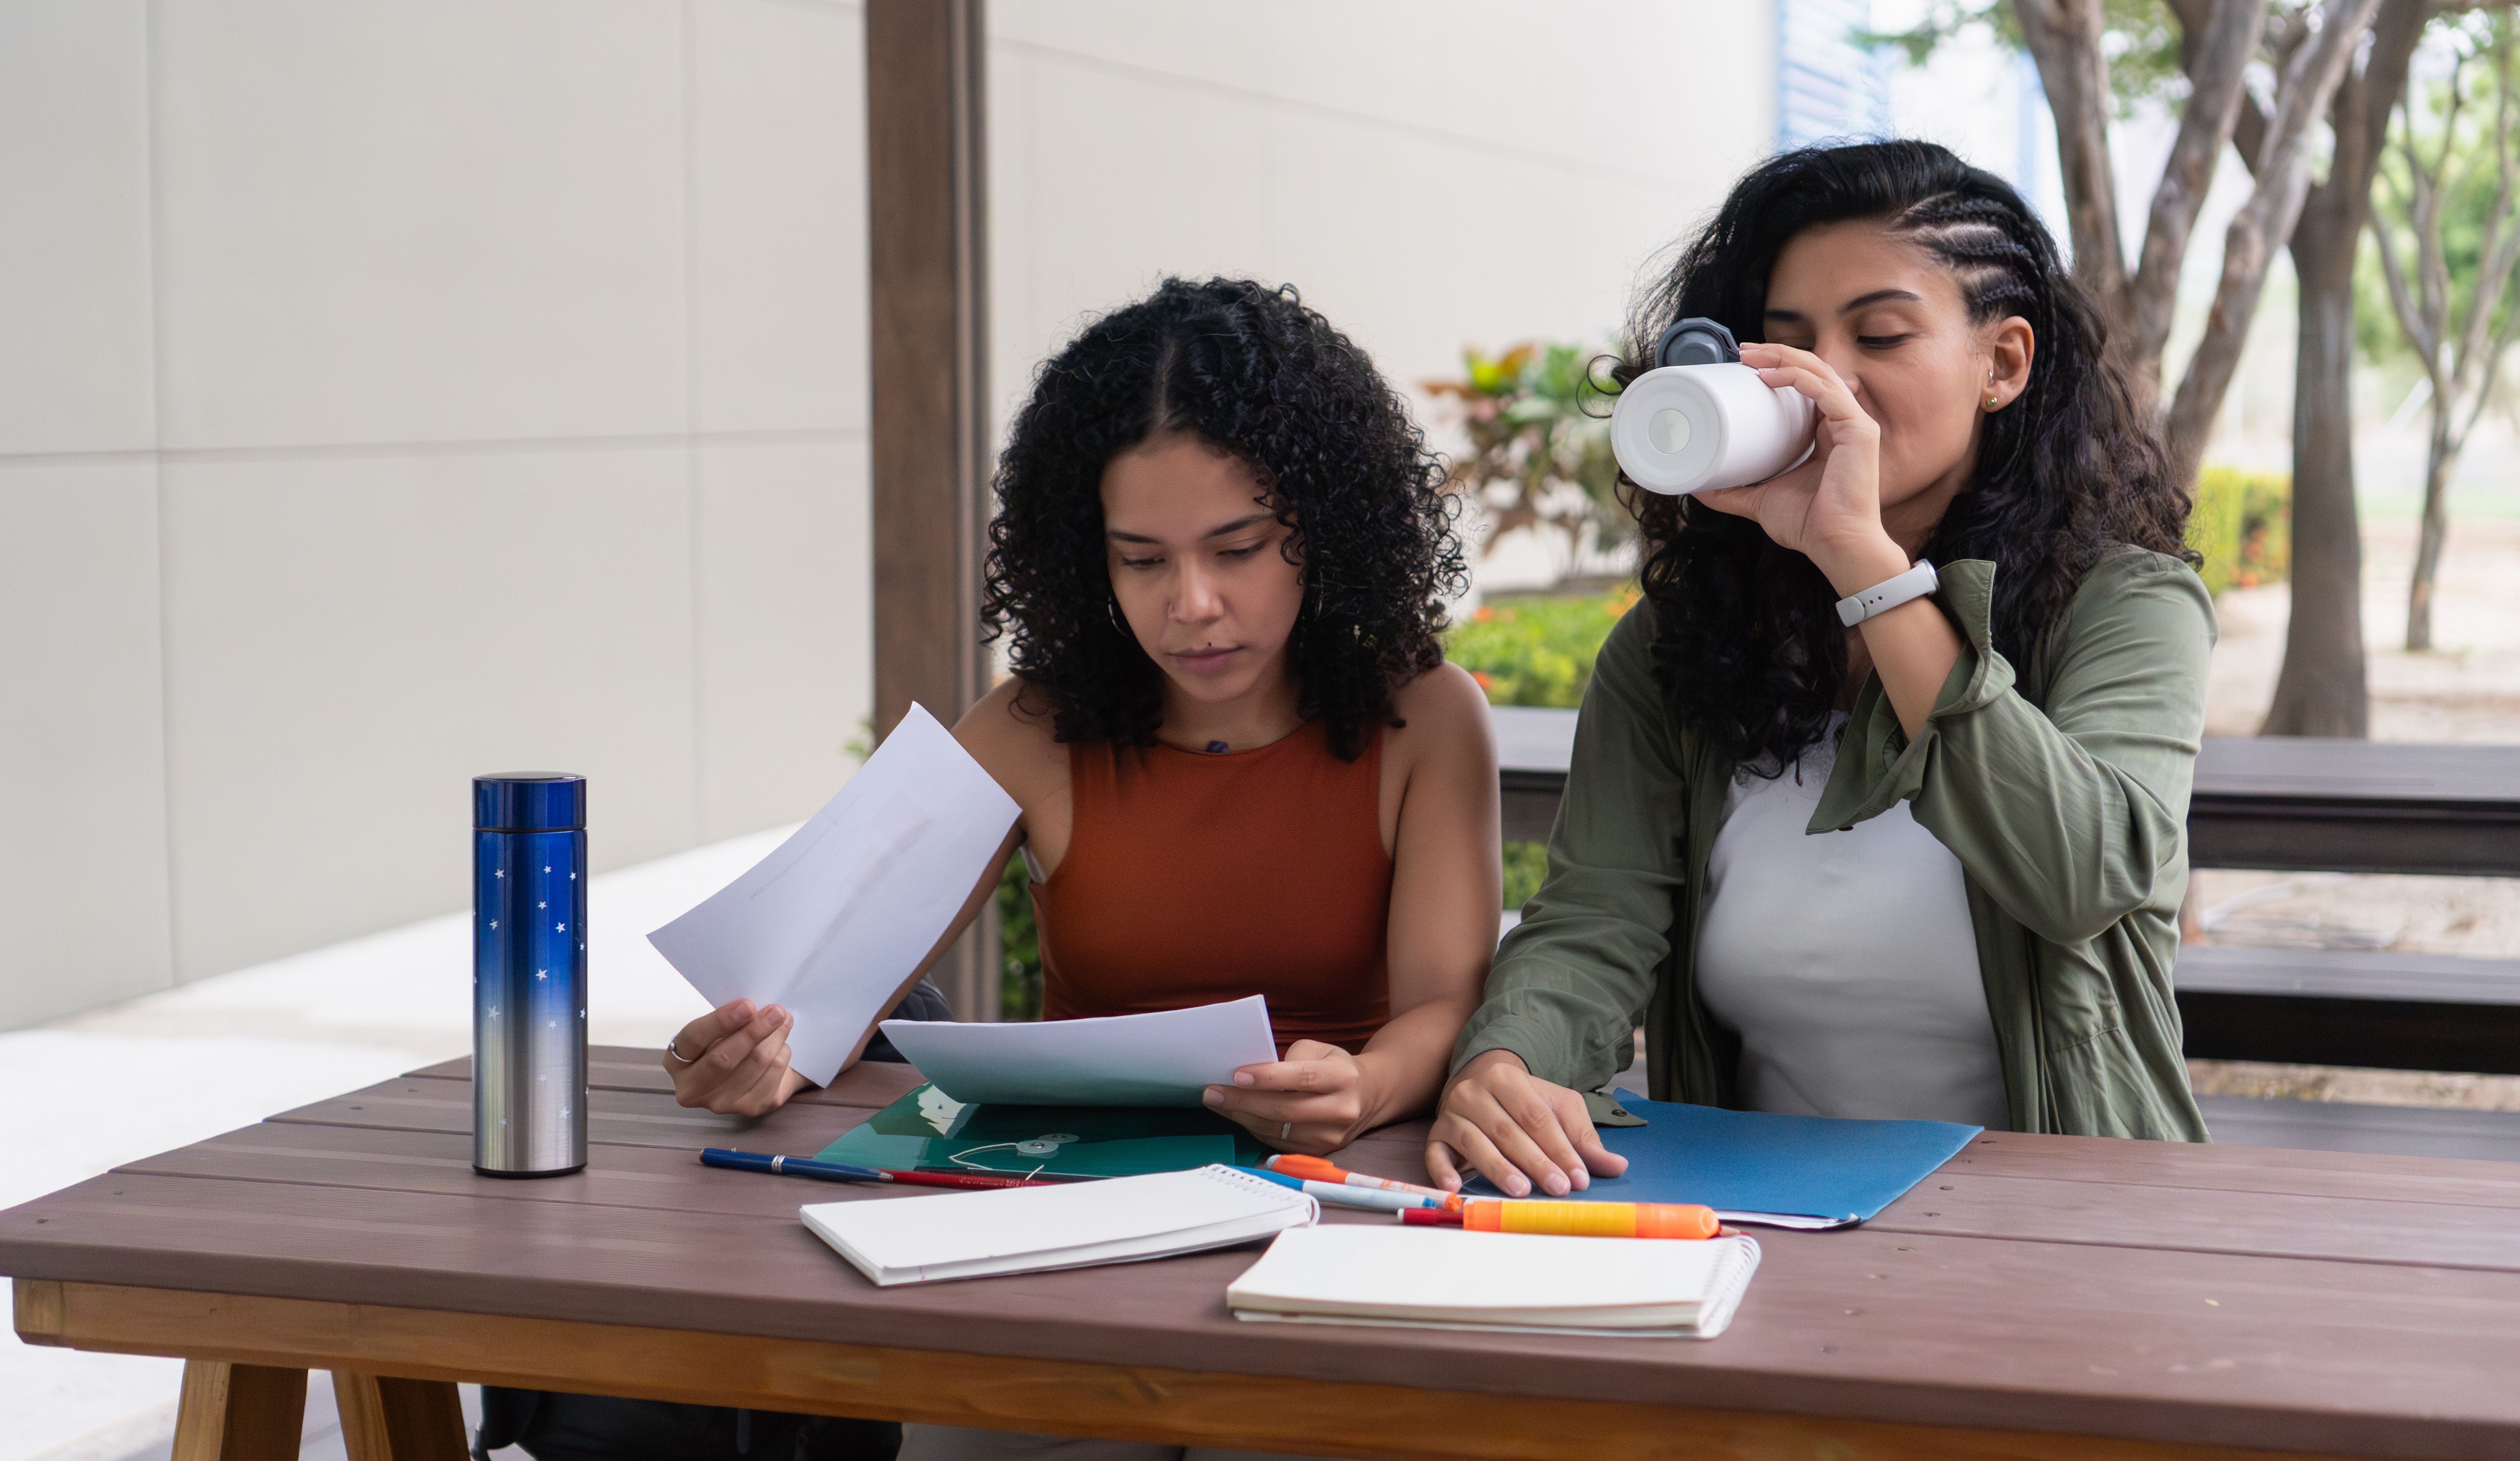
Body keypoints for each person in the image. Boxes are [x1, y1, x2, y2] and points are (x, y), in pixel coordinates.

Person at [670, 276, 1499, 1461]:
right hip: (1060, 1223)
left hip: (1338, 1195)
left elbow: (1444, 1005)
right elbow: (823, 992)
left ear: (1324, 524)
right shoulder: (1026, 727)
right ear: (1085, 554)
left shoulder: (1425, 715)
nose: (1193, 605)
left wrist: (1365, 1084)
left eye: (1239, 548)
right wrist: (759, 1052)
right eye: (1141, 559)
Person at [1428, 140, 2215, 1202]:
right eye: (1785, 342)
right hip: (1765, 1215)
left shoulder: (2124, 607)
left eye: (1880, 334)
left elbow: (2084, 876)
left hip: (2066, 1217)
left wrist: (1868, 570)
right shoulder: (1677, 643)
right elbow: (1592, 921)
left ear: (2004, 362)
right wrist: (1508, 1063)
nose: (1825, 378)